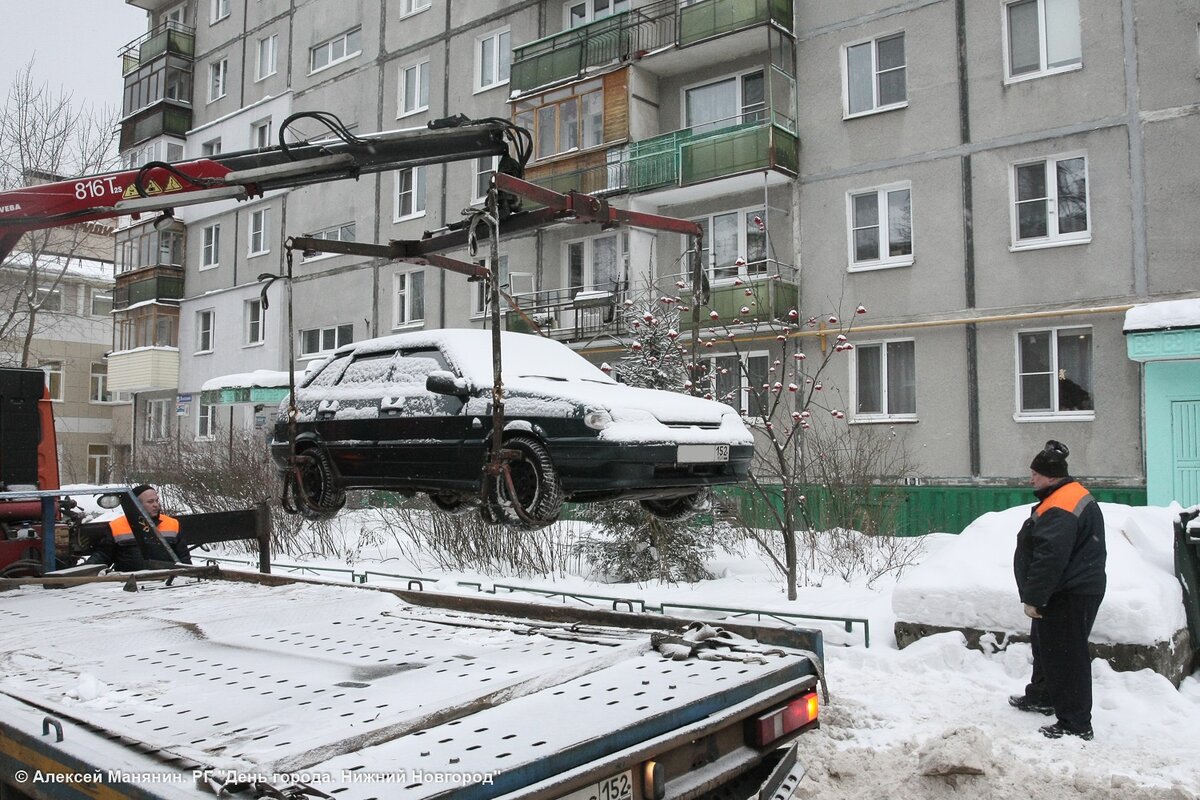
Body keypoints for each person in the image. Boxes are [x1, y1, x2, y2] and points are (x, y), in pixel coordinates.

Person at [1009, 440, 1106, 740]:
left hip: (1068, 593)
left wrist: (1034, 598)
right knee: (1046, 646)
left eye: (1036, 474)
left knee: (1066, 655)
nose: (1031, 479)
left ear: (1051, 477)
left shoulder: (1062, 505)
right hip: (1070, 588)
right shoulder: (1066, 495)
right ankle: (1043, 696)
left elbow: (1050, 556)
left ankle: (1076, 723)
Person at [86, 484, 191, 571]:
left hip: (167, 583)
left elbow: (184, 559)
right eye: (150, 502)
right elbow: (103, 557)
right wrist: (83, 571)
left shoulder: (173, 524)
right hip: (128, 585)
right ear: (136, 504)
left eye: (156, 501)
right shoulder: (116, 527)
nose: (156, 505)